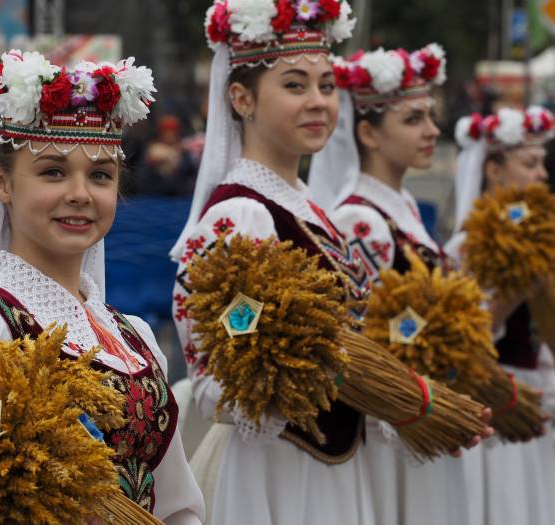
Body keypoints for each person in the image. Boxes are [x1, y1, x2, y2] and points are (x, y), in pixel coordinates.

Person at [171, 3, 488, 524]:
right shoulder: (241, 213)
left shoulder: (306, 206)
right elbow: (213, 382)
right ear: (242, 97)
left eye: (325, 86)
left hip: (340, 462)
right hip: (279, 472)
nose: (318, 102)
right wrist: (311, 374)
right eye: (295, 86)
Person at [0, 49, 204, 524]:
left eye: (100, 175)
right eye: (53, 171)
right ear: (1, 181)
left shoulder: (133, 336)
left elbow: (177, 498)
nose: (80, 193)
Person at [308, 44, 489, 525]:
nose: (432, 131)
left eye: (431, 117)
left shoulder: (402, 204)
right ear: (367, 132)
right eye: (413, 120)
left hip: (420, 409)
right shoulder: (360, 218)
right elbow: (367, 336)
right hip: (395, 422)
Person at [444, 106, 555, 525]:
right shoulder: (466, 248)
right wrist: (515, 293)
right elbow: (460, 340)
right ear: (492, 169)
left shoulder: (544, 236)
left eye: (543, 163)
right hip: (494, 400)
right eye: (529, 163)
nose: (542, 175)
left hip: (536, 396)